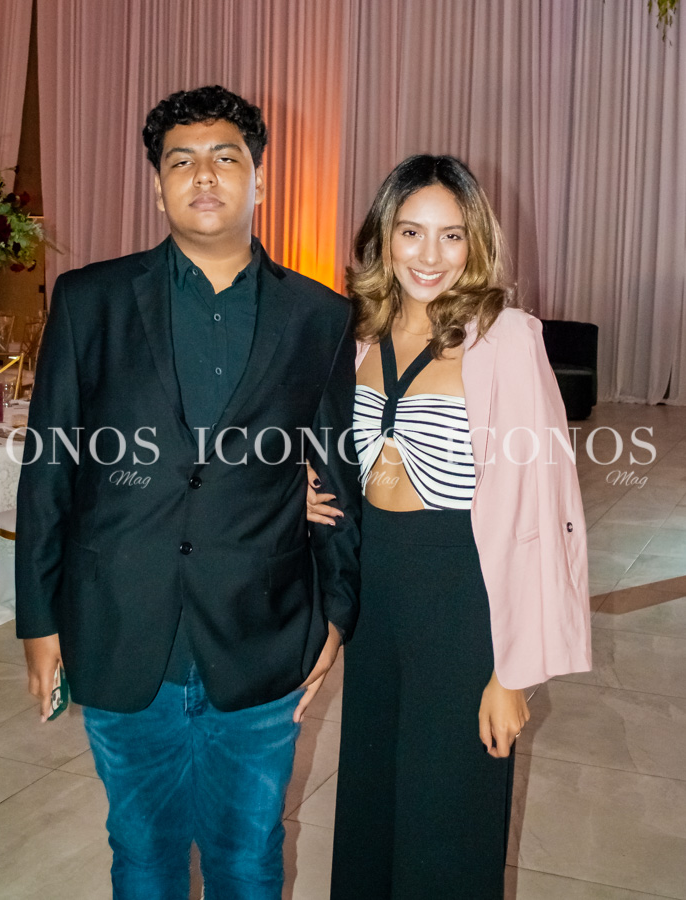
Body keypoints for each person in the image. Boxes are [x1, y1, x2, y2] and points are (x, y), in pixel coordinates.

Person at [15, 84, 360, 900]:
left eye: (225, 158)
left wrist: (337, 613)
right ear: (157, 186)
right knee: (142, 854)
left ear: (259, 179)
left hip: (262, 633)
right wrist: (39, 620)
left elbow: (335, 475)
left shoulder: (319, 316)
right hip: (121, 626)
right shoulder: (89, 301)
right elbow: (48, 468)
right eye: (182, 161)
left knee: (249, 857)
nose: (203, 176)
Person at [307, 154, 591, 899]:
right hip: (375, 597)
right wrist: (300, 489)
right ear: (383, 237)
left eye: (451, 235)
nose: (429, 256)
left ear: (475, 243)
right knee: (371, 802)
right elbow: (327, 451)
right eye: (411, 232)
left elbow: (542, 508)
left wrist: (513, 673)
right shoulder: (356, 334)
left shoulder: (506, 339)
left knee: (448, 817)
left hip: (462, 597)